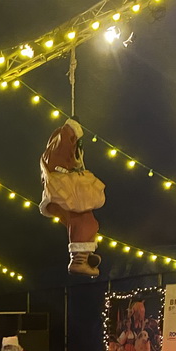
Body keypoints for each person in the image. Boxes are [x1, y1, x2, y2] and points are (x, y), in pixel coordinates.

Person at [38, 118, 106, 278]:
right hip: (64, 195)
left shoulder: (55, 153)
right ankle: (79, 260)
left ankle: (83, 255)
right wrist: (71, 132)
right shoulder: (59, 149)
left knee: (85, 222)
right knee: (84, 221)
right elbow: (66, 138)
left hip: (61, 196)